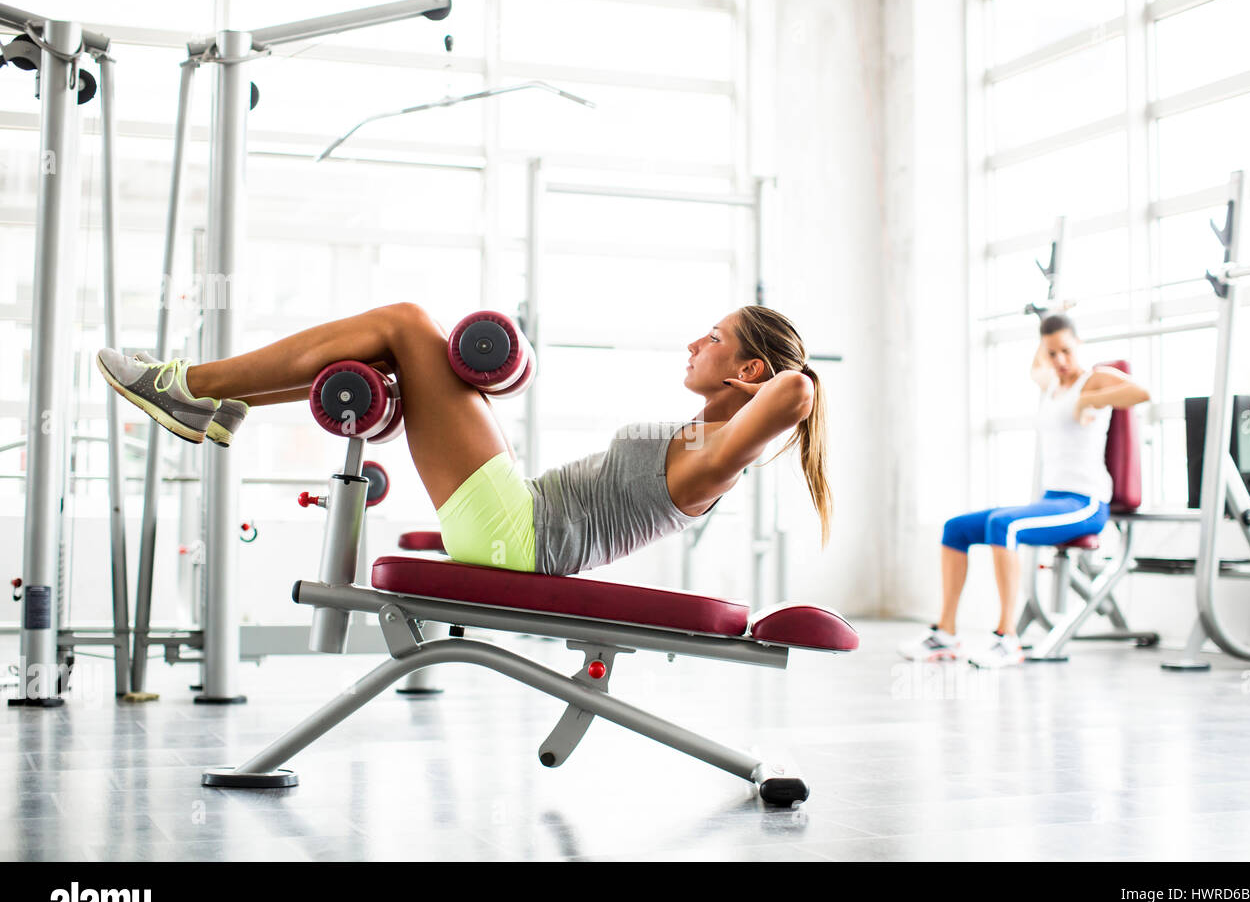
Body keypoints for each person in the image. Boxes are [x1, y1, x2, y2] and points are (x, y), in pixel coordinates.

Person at [96, 302, 831, 576]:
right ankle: (213, 399)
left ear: (750, 370)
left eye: (716, 337)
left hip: (519, 534)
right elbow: (779, 390)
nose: (694, 339)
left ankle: (187, 385)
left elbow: (796, 391)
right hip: (519, 519)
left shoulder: (719, 459)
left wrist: (787, 382)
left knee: (407, 325)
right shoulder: (702, 438)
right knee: (401, 346)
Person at [900, 313, 1150, 668]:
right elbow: (1037, 364)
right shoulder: (1050, 384)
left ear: (1078, 344)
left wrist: (1088, 401)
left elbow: (1141, 392)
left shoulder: (1093, 379)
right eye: (1052, 353)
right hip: (1053, 499)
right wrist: (1049, 316)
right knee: (956, 527)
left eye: (1066, 350)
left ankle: (1008, 639)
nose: (1059, 360)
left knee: (1004, 524)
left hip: (1085, 503)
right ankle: (946, 634)